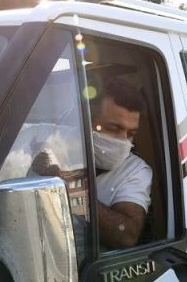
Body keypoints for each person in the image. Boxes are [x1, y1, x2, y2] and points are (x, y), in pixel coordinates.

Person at [33, 77, 152, 249]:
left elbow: (126, 236)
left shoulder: (135, 170)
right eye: (114, 128)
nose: (123, 141)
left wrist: (67, 184)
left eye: (131, 133)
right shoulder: (47, 138)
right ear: (86, 121)